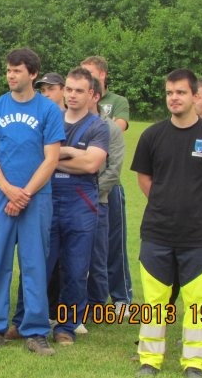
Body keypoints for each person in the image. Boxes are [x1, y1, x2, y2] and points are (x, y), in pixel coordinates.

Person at [132, 69, 202, 378]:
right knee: (155, 301)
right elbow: (144, 178)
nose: (173, 98)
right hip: (157, 232)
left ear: (195, 95)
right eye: (169, 93)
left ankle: (194, 362)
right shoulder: (152, 135)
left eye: (180, 92)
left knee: (197, 302)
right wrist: (166, 203)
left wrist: (196, 206)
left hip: (199, 235)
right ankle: (150, 360)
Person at [0, 48, 64, 356]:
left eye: (17, 70)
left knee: (35, 264)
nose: (11, 75)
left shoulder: (48, 110)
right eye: (9, 70)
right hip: (0, 196)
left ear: (33, 74)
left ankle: (35, 331)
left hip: (35, 198)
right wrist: (8, 189)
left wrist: (24, 194)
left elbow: (51, 159)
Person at [46, 67, 109, 346]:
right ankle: (29, 320)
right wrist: (73, 155)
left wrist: (55, 158)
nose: (72, 95)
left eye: (79, 91)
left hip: (80, 203)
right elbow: (37, 156)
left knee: (75, 269)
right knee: (39, 265)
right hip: (48, 199)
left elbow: (91, 164)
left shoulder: (98, 126)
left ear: (91, 94)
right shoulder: (51, 119)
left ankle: (66, 327)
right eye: (69, 89)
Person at [81, 56, 133, 314]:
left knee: (114, 244)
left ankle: (122, 297)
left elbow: (117, 128)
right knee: (89, 246)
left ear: (102, 75)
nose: (85, 76)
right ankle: (91, 298)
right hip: (82, 186)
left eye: (89, 73)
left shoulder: (117, 101)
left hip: (109, 186)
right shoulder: (80, 104)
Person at [86, 77, 124, 329]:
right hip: (70, 199)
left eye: (81, 91)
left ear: (95, 96)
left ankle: (98, 306)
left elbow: (113, 170)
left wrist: (90, 192)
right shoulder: (67, 123)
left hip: (97, 200)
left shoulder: (111, 128)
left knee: (98, 256)